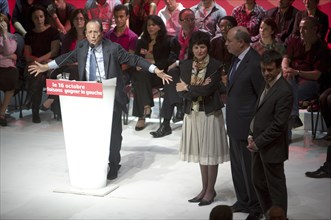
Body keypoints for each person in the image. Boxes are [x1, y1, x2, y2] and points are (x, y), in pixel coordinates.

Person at [28, 19, 172, 181]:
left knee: (114, 134)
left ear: (102, 33)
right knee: (92, 132)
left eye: (96, 32)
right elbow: (66, 58)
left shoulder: (113, 48)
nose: (93, 35)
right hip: (90, 95)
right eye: (89, 32)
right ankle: (96, 161)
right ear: (86, 33)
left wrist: (155, 70)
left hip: (110, 94)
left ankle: (114, 163)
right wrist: (46, 67)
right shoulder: (81, 46)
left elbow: (135, 60)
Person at [176, 31, 229, 206]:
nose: (199, 50)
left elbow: (206, 91)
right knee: (201, 154)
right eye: (196, 47)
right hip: (192, 113)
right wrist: (193, 88)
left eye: (203, 47)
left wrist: (188, 87)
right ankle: (205, 188)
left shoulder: (215, 66)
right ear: (192, 48)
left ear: (208, 47)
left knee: (210, 153)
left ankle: (210, 190)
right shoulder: (185, 65)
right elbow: (181, 91)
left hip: (210, 114)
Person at [248, 50, 292, 219]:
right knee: (258, 181)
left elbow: (278, 125)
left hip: (271, 148)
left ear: (279, 68)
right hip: (258, 144)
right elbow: (258, 112)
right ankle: (269, 215)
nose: (266, 73)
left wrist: (258, 142)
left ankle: (280, 217)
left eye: (270, 70)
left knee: (276, 187)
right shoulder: (265, 84)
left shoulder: (284, 91)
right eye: (263, 70)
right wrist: (251, 133)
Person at [225, 26, 264, 220]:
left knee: (250, 169)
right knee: (238, 167)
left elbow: (261, 97)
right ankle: (243, 200)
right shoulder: (236, 59)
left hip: (248, 125)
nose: (226, 44)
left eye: (229, 41)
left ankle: (256, 206)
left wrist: (255, 128)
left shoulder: (255, 63)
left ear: (241, 42)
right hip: (234, 124)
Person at [149, 8, 197, 138]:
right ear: (180, 22)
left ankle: (166, 124)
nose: (190, 22)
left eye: (192, 19)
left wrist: (178, 63)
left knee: (172, 76)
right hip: (179, 74)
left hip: (196, 72)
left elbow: (198, 59)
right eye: (186, 19)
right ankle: (178, 107)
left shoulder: (200, 36)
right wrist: (175, 63)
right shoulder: (176, 39)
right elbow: (171, 57)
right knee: (172, 77)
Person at [282, 16, 329, 131]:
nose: (301, 31)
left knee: (286, 95)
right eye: (300, 28)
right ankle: (293, 117)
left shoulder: (322, 49)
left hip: (311, 82)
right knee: (288, 85)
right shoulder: (294, 41)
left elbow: (317, 75)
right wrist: (286, 69)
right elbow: (285, 59)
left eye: (305, 28)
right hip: (292, 78)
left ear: (314, 29)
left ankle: (287, 134)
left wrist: (297, 72)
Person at [40, 8, 89, 117]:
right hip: (69, 66)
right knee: (54, 73)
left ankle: (52, 97)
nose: (79, 21)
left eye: (81, 18)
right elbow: (64, 56)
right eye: (76, 19)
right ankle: (57, 102)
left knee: (70, 71)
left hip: (86, 69)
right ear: (73, 21)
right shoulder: (68, 37)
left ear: (85, 21)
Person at [131, 15, 172, 131]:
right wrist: (138, 65)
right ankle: (146, 106)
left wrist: (151, 65)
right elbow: (136, 58)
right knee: (140, 75)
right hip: (142, 74)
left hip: (158, 75)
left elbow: (167, 61)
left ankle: (142, 116)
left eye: (153, 25)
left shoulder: (166, 41)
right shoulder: (142, 41)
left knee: (140, 79)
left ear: (160, 27)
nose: (150, 27)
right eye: (148, 25)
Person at [24, 4, 61, 123]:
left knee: (54, 74)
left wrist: (41, 62)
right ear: (32, 19)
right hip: (35, 63)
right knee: (37, 75)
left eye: (41, 16)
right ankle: (35, 111)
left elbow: (54, 51)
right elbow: (27, 55)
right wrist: (38, 62)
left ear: (45, 17)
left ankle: (56, 109)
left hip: (49, 63)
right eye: (36, 17)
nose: (39, 20)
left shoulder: (53, 31)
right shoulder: (29, 34)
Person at [104, 4, 138, 85]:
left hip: (124, 71)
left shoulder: (133, 37)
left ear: (127, 17)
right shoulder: (107, 35)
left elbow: (129, 61)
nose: (118, 19)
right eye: (116, 16)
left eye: (121, 16)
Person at [0, 14, 19, 126]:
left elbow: (8, 51)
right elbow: (9, 55)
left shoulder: (12, 37)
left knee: (11, 80)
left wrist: (5, 35)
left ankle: (2, 113)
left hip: (9, 68)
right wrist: (8, 57)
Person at [210, 15, 237, 91]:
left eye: (228, 25)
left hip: (234, 76)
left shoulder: (238, 42)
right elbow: (210, 60)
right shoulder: (214, 42)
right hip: (216, 75)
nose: (224, 29)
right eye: (221, 26)